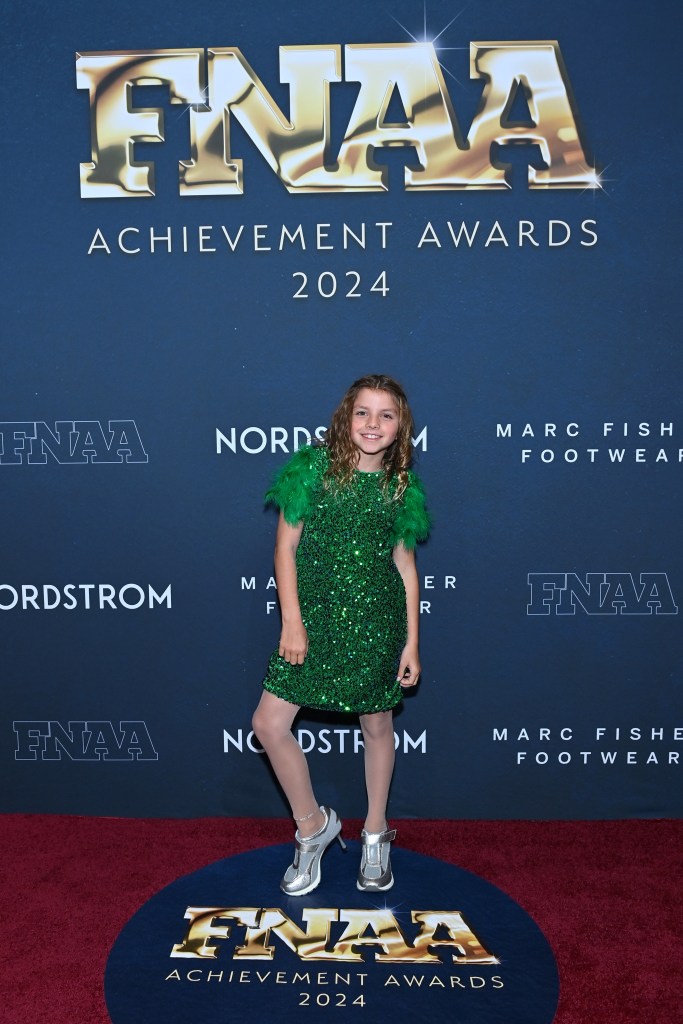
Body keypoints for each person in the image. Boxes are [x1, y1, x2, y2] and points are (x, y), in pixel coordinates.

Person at [252, 374, 429, 896]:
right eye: (363, 413)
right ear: (344, 418)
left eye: (386, 415)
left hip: (376, 624)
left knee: (377, 726)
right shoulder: (310, 470)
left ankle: (375, 833)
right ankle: (313, 826)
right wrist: (292, 620)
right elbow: (285, 549)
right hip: (311, 622)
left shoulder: (401, 489)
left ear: (400, 428)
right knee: (268, 722)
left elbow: (405, 567)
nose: (373, 424)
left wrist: (412, 642)